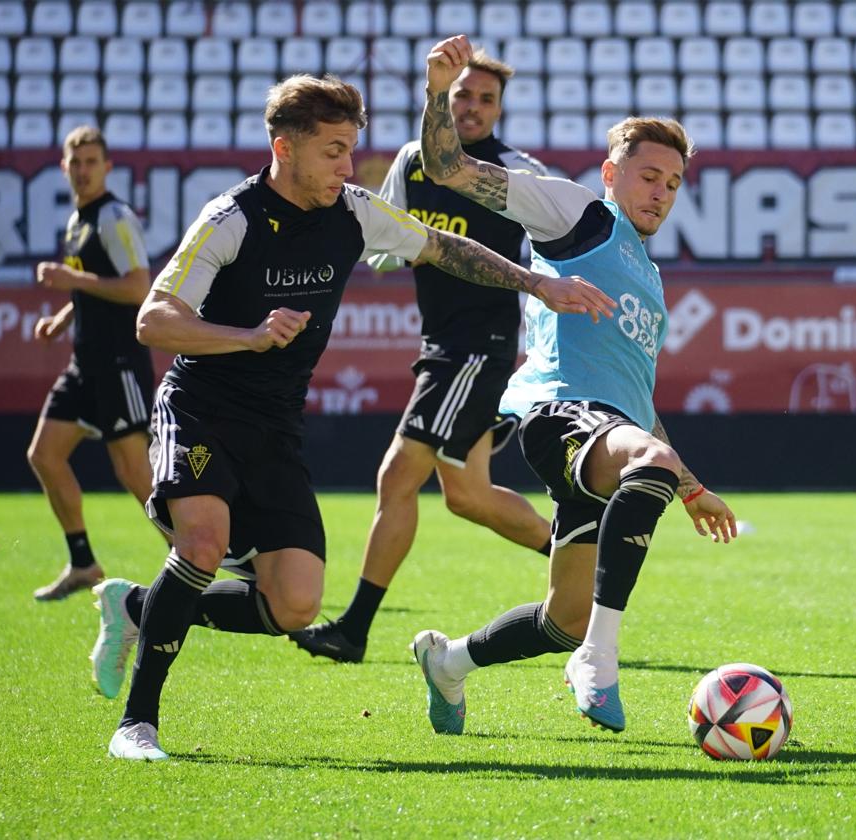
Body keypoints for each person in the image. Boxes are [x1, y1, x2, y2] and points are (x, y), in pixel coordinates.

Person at [87, 73, 615, 761]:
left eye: (352, 149)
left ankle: (133, 608)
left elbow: (442, 247)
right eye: (334, 150)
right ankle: (137, 725)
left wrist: (538, 283)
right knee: (203, 544)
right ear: (284, 148)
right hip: (201, 410)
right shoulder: (231, 218)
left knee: (293, 606)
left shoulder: (355, 211)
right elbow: (155, 321)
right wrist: (246, 336)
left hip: (275, 428)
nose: (348, 165)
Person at [408, 36, 738, 736]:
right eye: (649, 176)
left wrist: (692, 485)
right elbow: (446, 166)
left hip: (606, 434)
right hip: (558, 414)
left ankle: (451, 663)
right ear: (611, 173)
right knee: (643, 468)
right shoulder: (579, 215)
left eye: (673, 184)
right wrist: (439, 92)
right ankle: (600, 660)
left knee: (561, 619)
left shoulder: (648, 276)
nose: (662, 192)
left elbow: (640, 408)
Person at [289, 50, 553, 664]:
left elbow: (556, 249)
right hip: (442, 346)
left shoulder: (517, 173)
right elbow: (381, 249)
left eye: (486, 99)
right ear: (444, 97)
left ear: (500, 109)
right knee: (469, 497)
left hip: (475, 349)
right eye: (463, 95)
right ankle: (581, 560)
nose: (473, 107)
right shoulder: (412, 160)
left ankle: (353, 630)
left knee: (396, 476)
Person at [27, 126, 157, 601]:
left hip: (120, 360)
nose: (83, 170)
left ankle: (192, 563)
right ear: (64, 167)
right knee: (43, 455)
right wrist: (63, 319)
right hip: (86, 361)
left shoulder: (113, 218)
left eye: (91, 162)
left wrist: (69, 282)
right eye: (75, 162)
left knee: (134, 473)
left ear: (107, 167)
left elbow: (138, 287)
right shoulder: (77, 221)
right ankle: (83, 562)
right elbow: (93, 283)